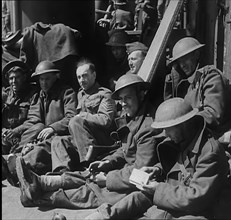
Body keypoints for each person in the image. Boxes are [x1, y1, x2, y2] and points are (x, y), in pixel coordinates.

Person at [16, 73, 164, 210]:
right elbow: (125, 150)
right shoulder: (134, 118)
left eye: (128, 98)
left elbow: (140, 171)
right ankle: (41, 182)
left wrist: (107, 179)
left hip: (137, 183)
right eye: (121, 99)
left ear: (141, 95)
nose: (123, 104)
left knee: (91, 191)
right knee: (88, 174)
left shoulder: (147, 128)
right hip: (125, 171)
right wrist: (107, 162)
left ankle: (38, 197)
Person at [85, 97, 231, 220]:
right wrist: (158, 169)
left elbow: (196, 198)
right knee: (139, 196)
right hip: (179, 195)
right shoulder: (187, 139)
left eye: (168, 129)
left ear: (183, 125)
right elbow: (180, 165)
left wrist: (158, 189)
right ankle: (104, 216)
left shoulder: (210, 153)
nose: (166, 134)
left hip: (201, 210)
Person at [4, 60, 77, 185]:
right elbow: (34, 119)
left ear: (56, 76)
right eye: (41, 79)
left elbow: (72, 117)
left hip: (61, 138)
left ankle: (17, 168)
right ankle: (17, 158)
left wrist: (53, 128)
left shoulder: (67, 92)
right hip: (42, 137)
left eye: (47, 79)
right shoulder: (39, 96)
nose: (44, 83)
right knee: (38, 129)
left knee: (39, 153)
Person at [50, 58, 117, 172]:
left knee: (75, 121)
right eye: (79, 77)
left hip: (102, 141)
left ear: (94, 75)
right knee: (58, 140)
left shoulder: (105, 94)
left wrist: (82, 116)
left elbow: (105, 120)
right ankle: (62, 172)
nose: (81, 80)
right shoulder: (80, 95)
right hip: (84, 141)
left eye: (85, 76)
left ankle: (89, 165)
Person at [164, 37, 231, 139]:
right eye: (179, 61)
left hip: (213, 139)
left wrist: (183, 122)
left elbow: (213, 115)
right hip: (196, 136)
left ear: (196, 55)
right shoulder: (190, 84)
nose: (182, 65)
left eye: (185, 59)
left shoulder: (210, 76)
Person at [2, 60, 38, 155]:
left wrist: (16, 131)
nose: (14, 82)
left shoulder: (33, 94)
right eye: (11, 78)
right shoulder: (5, 94)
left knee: (38, 127)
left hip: (23, 135)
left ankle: (17, 153)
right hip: (6, 136)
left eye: (17, 77)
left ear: (24, 77)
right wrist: (3, 130)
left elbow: (34, 119)